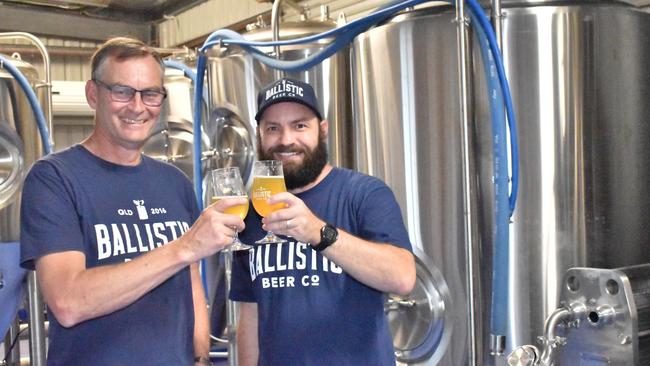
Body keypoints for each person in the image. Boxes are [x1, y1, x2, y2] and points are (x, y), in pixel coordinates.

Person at [19, 37, 246, 366]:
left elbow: (192, 286)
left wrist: (200, 358)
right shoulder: (54, 179)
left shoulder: (175, 184)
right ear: (93, 94)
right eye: (122, 91)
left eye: (150, 93)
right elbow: (68, 302)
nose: (138, 107)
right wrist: (182, 248)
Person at [230, 78, 417, 365]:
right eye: (272, 128)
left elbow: (402, 277)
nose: (286, 139)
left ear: (323, 130)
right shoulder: (253, 210)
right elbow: (251, 314)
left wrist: (319, 232)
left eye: (300, 125)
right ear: (259, 135)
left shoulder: (364, 194)